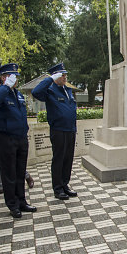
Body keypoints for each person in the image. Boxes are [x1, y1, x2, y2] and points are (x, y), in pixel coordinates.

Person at [0, 63, 37, 218]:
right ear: (4, 78)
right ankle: (12, 204)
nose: (15, 80)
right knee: (9, 173)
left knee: (20, 172)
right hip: (6, 138)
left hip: (21, 138)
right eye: (11, 76)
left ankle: (21, 201)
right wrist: (5, 87)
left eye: (16, 77)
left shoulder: (18, 94)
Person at [32, 63, 78, 200]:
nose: (64, 77)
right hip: (58, 130)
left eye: (65, 74)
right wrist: (50, 79)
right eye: (61, 75)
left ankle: (65, 184)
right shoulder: (50, 90)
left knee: (68, 159)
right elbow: (36, 92)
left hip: (70, 129)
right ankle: (57, 188)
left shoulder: (67, 90)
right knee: (59, 159)